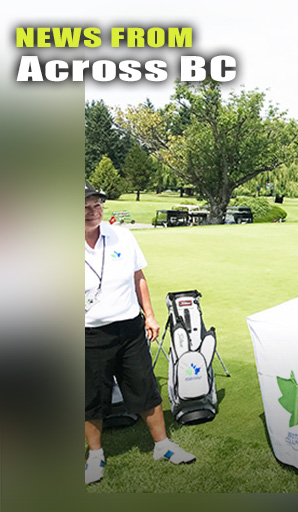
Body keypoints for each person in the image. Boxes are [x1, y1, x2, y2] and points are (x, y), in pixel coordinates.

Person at [84, 181, 195, 485]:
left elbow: (139, 277)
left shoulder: (123, 236)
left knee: (145, 387)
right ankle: (95, 455)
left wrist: (150, 315)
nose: (93, 212)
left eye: (97, 205)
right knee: (90, 398)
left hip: (130, 328)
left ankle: (163, 446)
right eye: (85, 208)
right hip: (89, 335)